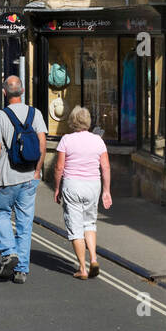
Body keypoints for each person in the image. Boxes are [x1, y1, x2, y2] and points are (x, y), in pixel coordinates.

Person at [0, 76, 47, 284]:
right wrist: (37, 172)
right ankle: (21, 271)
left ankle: (9, 252)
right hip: (29, 177)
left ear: (4, 93)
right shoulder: (35, 113)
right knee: (24, 224)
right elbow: (42, 145)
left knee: (0, 214)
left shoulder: (0, 116)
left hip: (5, 179)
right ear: (23, 91)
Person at [53, 106, 112, 279]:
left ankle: (82, 268)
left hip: (73, 186)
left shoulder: (66, 140)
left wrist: (57, 188)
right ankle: (93, 258)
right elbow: (106, 166)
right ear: (88, 121)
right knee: (89, 223)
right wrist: (106, 190)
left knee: (75, 228)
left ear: (72, 121)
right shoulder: (98, 141)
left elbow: (59, 168)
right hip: (93, 185)